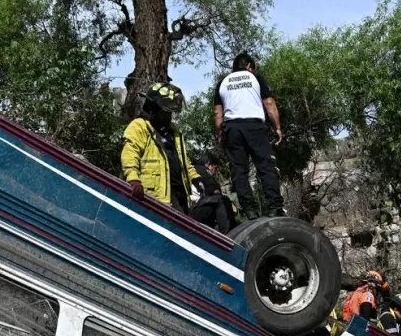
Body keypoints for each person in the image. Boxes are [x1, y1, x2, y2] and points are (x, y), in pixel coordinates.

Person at [214, 52, 285, 219]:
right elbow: (269, 103)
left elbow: (217, 112)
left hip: (232, 129)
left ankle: (250, 211)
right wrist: (278, 128)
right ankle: (275, 207)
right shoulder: (255, 79)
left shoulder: (223, 82)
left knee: (239, 171)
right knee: (266, 167)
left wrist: (219, 134)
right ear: (249, 66)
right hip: (254, 126)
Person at [120, 82, 201, 214]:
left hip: (180, 194)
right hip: (157, 197)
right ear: (153, 109)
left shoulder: (174, 133)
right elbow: (130, 153)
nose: (169, 118)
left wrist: (195, 177)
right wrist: (133, 179)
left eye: (171, 114)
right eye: (166, 113)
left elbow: (183, 161)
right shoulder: (139, 127)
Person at [189, 152, 235, 233]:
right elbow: (213, 188)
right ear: (208, 164)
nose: (215, 171)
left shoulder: (193, 169)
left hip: (193, 210)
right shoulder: (202, 170)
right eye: (215, 168)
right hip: (195, 209)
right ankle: (228, 233)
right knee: (223, 201)